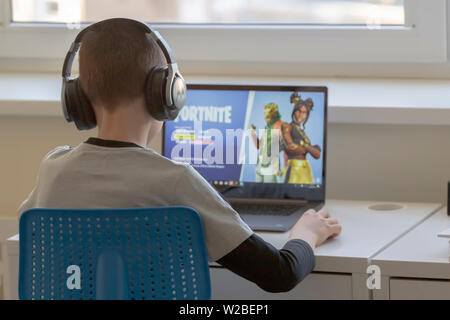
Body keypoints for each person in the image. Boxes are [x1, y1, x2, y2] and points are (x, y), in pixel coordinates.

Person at [18, 18, 342, 293]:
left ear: (78, 98)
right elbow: (278, 275)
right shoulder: (175, 181)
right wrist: (306, 234)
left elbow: (28, 230)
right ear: (166, 94)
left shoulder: (53, 168)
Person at [281, 93, 322, 184]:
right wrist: (309, 149)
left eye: (304, 112)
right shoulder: (287, 126)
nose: (301, 115)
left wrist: (304, 145)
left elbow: (317, 155)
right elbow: (291, 147)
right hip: (294, 169)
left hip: (306, 169)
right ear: (294, 111)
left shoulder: (303, 133)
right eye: (298, 111)